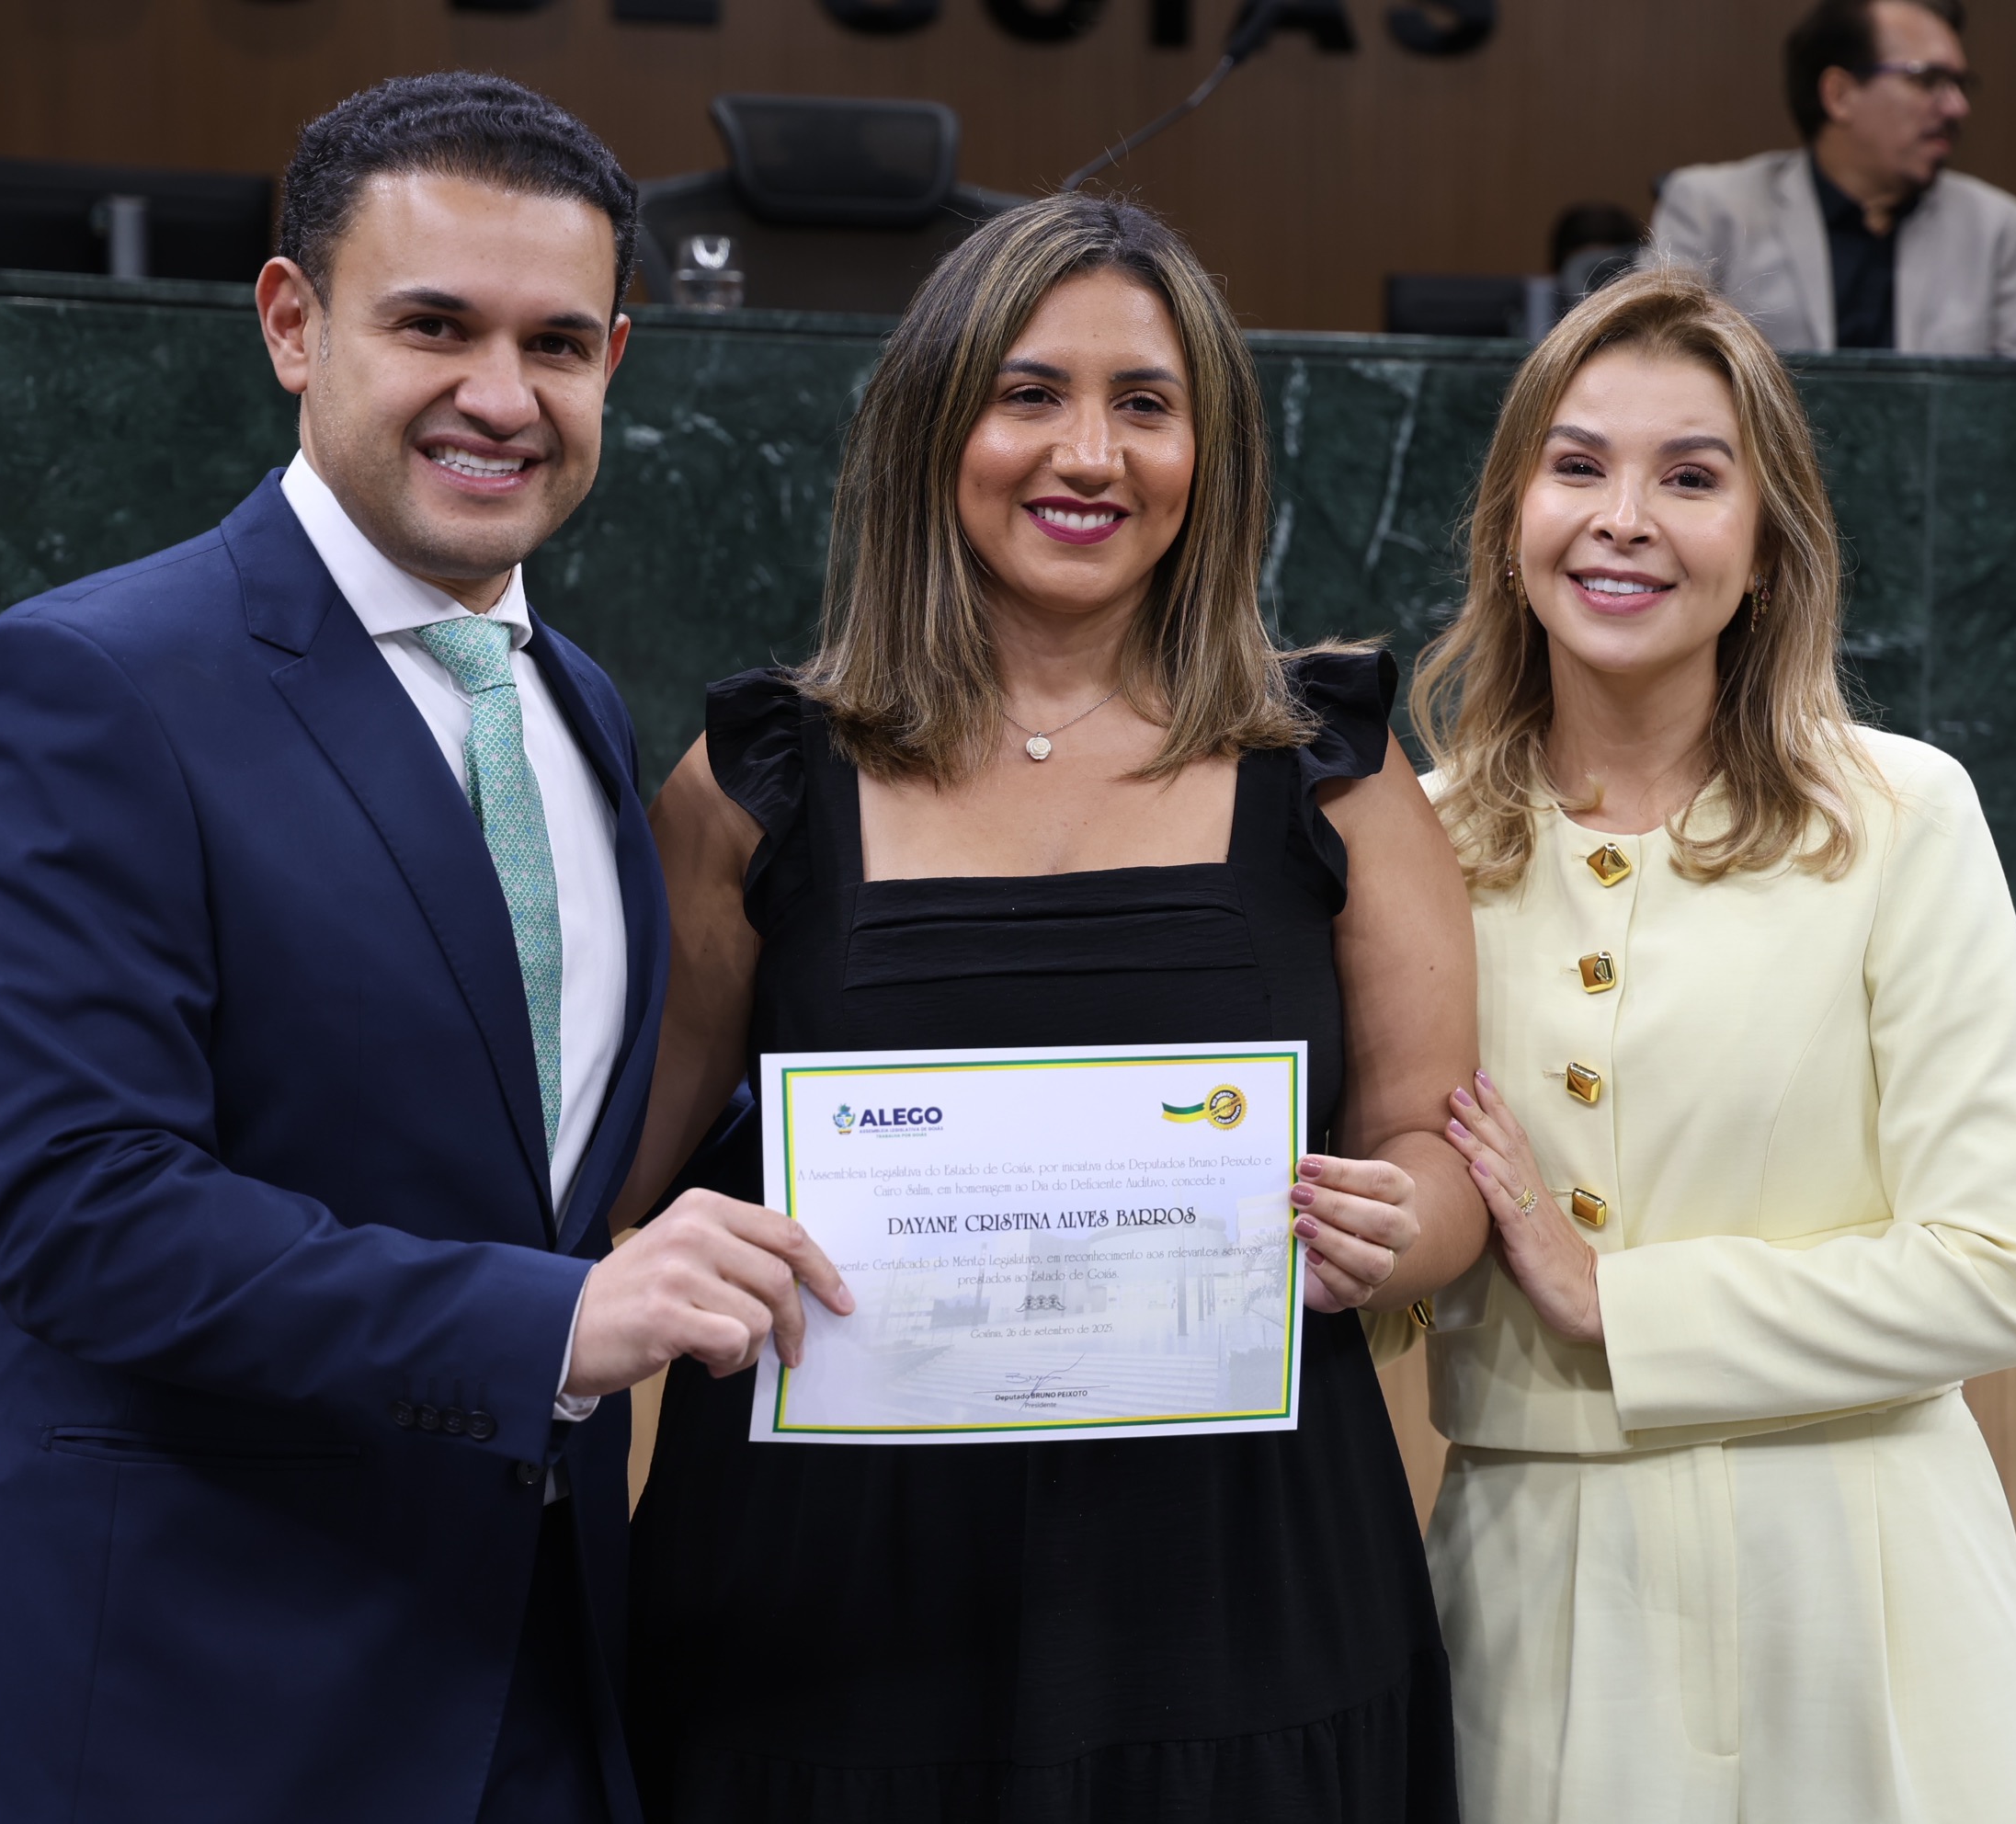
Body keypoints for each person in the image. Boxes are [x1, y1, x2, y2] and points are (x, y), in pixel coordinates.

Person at [0, 74, 848, 1824]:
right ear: (291, 323)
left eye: (557, 343)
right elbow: (86, 1212)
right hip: (183, 1704)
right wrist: (561, 1320)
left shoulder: (575, 700)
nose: (502, 396)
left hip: (533, 1687)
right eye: (434, 325)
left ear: (618, 360)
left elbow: (537, 1147)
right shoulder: (80, 686)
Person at [617, 190, 1485, 1820]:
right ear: (933, 426)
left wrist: (1400, 1227)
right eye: (1029, 394)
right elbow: (612, 1187)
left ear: (1208, 454)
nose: (1090, 453)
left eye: (1145, 403)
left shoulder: (1338, 777)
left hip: (1233, 1597)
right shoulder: (753, 784)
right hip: (826, 1618)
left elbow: (1437, 1158)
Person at [1406, 265, 2016, 1820]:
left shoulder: (1902, 816)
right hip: (1533, 1587)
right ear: (1510, 522)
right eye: (1577, 467)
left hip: (1867, 1583)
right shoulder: (1411, 845)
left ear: (1769, 545)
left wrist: (1613, 1299)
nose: (1623, 519)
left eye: (1691, 477)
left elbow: (2003, 1268)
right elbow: (1392, 1264)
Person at [1648, 0, 2016, 356]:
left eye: (1959, 84)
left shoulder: (1994, 227)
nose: (1957, 107)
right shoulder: (1711, 209)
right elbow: (1654, 358)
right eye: (1928, 79)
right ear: (1839, 95)